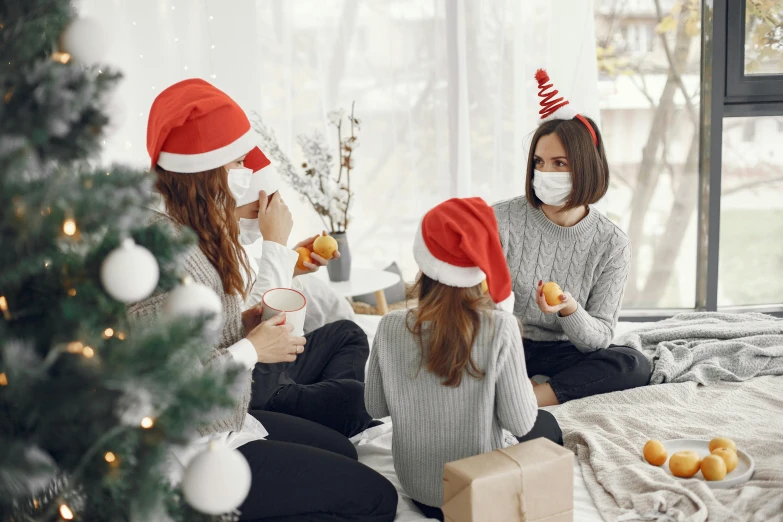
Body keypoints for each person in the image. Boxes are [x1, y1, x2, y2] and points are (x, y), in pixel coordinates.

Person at [130, 78, 397, 521]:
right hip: (193, 454)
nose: (244, 173)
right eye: (236, 162)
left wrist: (248, 322)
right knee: (376, 500)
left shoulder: (187, 234)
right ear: (206, 169)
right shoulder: (157, 255)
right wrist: (253, 347)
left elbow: (202, 335)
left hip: (228, 420)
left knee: (345, 453)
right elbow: (171, 395)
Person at [178, 105, 373, 438]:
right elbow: (247, 325)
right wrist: (276, 245)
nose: (262, 219)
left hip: (263, 360)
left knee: (348, 333)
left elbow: (246, 307)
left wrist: (290, 265)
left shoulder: (226, 242)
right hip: (248, 375)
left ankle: (305, 405)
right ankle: (300, 409)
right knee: (358, 400)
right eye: (257, 210)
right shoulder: (196, 248)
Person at [366, 197, 563, 522]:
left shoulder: (388, 326)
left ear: (423, 261)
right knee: (548, 426)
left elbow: (375, 408)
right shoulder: (500, 327)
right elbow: (520, 422)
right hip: (477, 491)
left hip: (419, 489)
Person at [493, 69, 651, 408]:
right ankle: (511, 388)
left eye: (559, 163)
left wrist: (569, 307)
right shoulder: (501, 219)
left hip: (568, 351)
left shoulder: (611, 243)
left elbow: (597, 341)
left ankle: (534, 397)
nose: (545, 173)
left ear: (585, 167)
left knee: (633, 363)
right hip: (506, 344)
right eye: (539, 162)